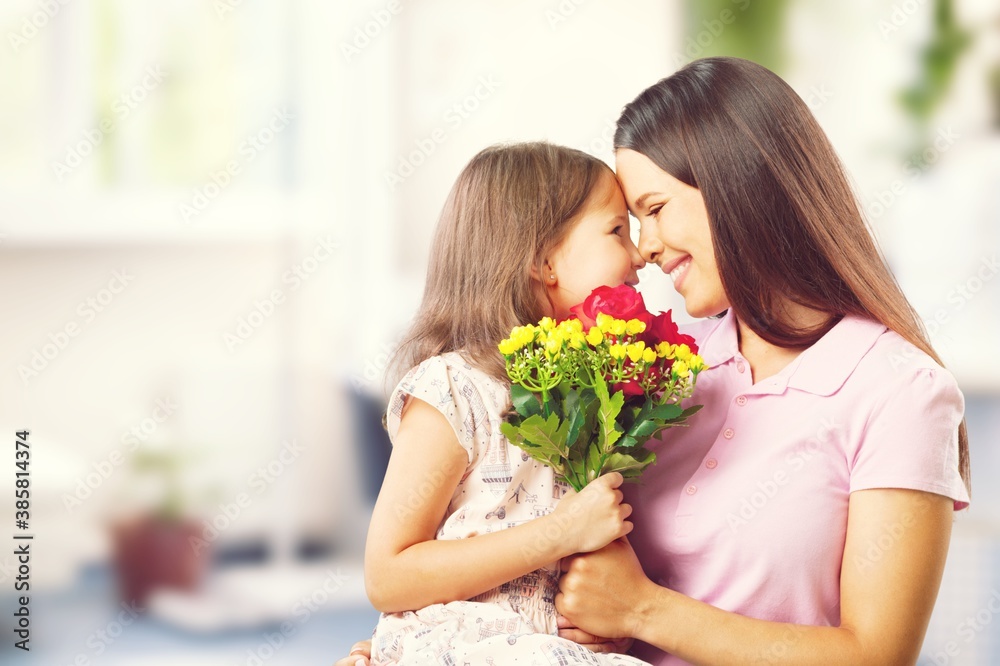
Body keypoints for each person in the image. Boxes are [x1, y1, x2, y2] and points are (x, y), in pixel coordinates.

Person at [337, 57, 971, 665]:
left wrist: (643, 612)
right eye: (628, 224)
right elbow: (518, 550)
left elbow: (877, 655)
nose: (646, 249)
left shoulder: (901, 392)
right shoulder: (666, 373)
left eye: (654, 210)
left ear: (737, 188)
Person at [360, 141, 650, 664]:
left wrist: (609, 628)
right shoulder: (452, 388)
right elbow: (388, 574)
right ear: (544, 262)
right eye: (616, 231)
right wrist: (560, 532)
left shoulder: (587, 394)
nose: (639, 256)